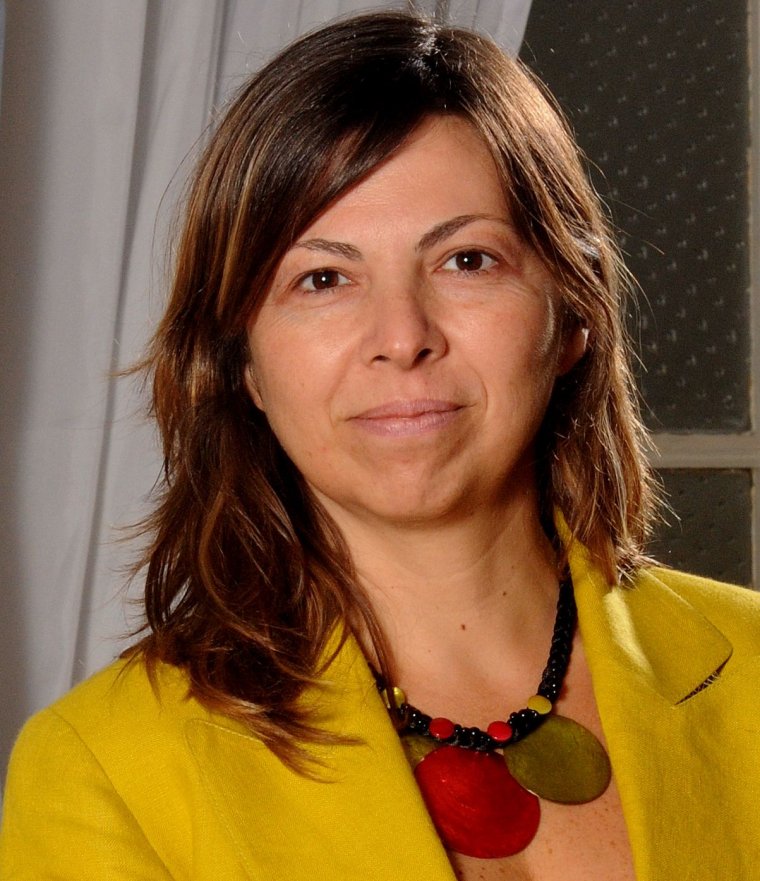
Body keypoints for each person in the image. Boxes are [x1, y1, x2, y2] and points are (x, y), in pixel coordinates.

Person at [1, 10, 759, 881]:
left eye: (467, 260)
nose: (401, 337)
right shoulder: (106, 769)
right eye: (323, 278)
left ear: (572, 314)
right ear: (243, 362)